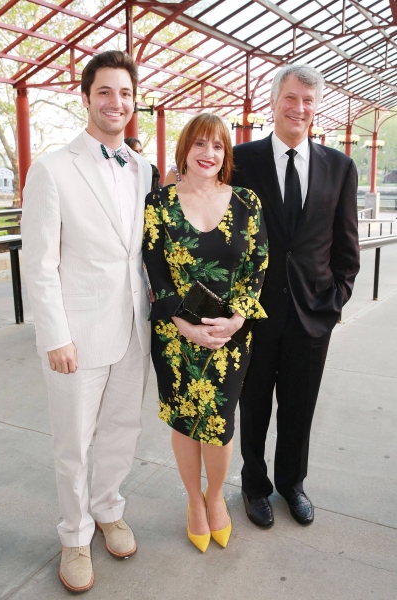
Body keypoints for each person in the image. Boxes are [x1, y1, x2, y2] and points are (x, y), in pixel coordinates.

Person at [21, 50, 152, 592]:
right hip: (77, 336)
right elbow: (40, 262)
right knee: (73, 442)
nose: (115, 102)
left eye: (124, 92)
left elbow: (142, 254)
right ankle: (74, 538)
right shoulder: (52, 169)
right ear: (86, 97)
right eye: (104, 92)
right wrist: (55, 335)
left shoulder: (144, 168)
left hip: (134, 330)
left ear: (133, 100)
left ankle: (107, 508)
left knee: (122, 431)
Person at [232, 64, 360, 529]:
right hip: (254, 316)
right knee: (255, 407)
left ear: (316, 106)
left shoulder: (340, 167)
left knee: (300, 406)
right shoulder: (240, 160)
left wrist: (333, 304)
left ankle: (292, 483)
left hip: (313, 316)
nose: (298, 109)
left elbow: (347, 249)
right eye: (291, 98)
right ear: (273, 100)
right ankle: (254, 485)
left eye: (307, 100)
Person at [143, 113, 269, 552]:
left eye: (217, 146)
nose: (208, 154)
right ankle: (193, 502)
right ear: (185, 150)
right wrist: (180, 322)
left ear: (226, 154)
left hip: (230, 337)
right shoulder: (158, 203)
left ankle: (215, 497)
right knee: (184, 420)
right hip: (176, 337)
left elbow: (258, 267)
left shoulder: (247, 202)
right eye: (199, 144)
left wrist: (236, 319)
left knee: (219, 423)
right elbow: (155, 270)